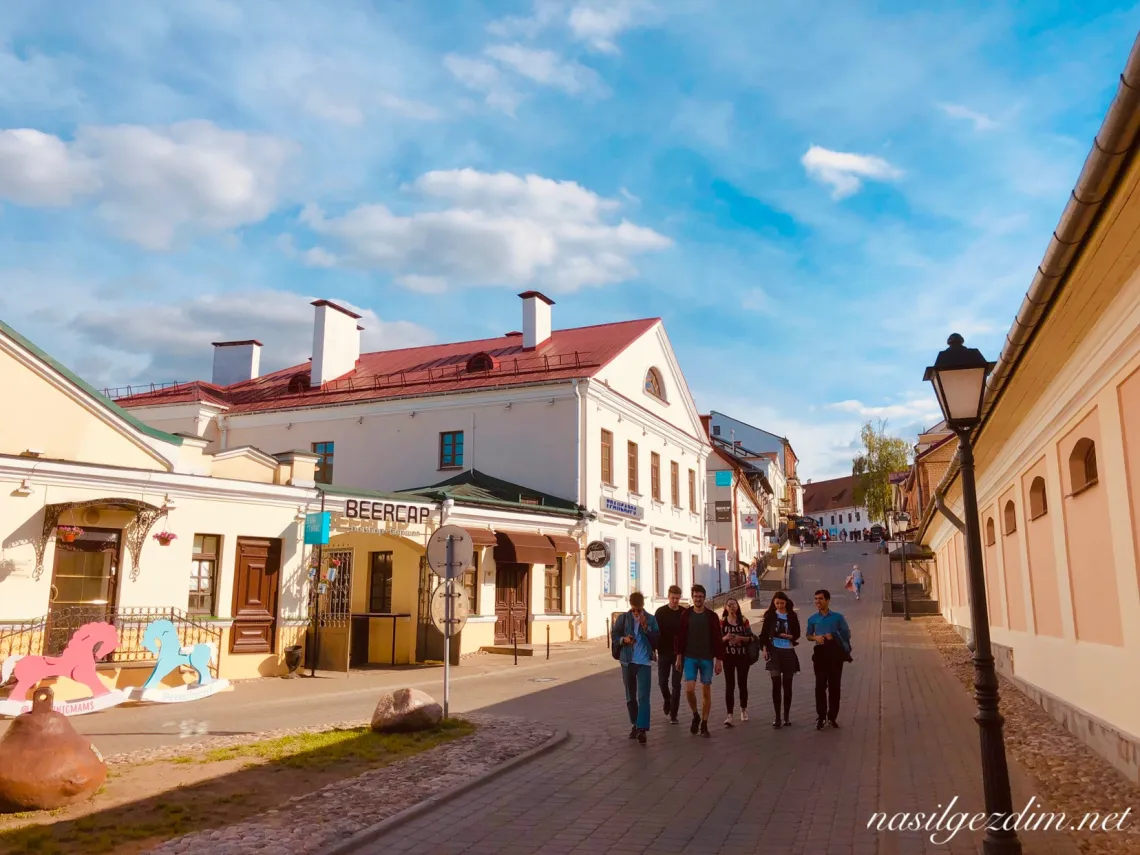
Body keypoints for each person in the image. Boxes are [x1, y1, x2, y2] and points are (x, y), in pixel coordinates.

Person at [674, 584, 725, 738]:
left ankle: (704, 723)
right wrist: (678, 657)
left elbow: (717, 639)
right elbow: (680, 637)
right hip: (690, 657)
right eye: (695, 596)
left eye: (700, 596)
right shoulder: (686, 615)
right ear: (692, 597)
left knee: (706, 691)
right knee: (689, 689)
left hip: (707, 658)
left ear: (704, 598)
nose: (698, 599)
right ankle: (695, 714)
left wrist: (719, 660)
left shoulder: (712, 616)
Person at [611, 591, 660, 744]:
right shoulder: (624, 619)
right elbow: (614, 635)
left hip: (644, 662)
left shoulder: (650, 619)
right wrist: (623, 640)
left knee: (643, 696)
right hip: (627, 661)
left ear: (643, 607)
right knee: (630, 697)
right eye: (634, 610)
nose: (636, 613)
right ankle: (634, 723)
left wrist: (646, 628)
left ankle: (642, 729)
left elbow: (657, 640)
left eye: (639, 610)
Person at [806, 589, 852, 730]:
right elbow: (808, 635)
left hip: (834, 653)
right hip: (820, 653)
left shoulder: (837, 617)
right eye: (816, 599)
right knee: (820, 686)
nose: (817, 602)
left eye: (820, 599)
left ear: (827, 600)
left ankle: (832, 717)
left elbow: (846, 634)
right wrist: (815, 637)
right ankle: (821, 716)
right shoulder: (812, 619)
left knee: (834, 686)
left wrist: (834, 636)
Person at [758, 590, 801, 727]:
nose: (779, 606)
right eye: (777, 603)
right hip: (774, 651)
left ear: (786, 603)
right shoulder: (770, 616)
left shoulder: (792, 616)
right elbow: (763, 634)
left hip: (788, 651)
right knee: (776, 684)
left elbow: (797, 633)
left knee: (787, 685)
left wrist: (790, 637)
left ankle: (786, 716)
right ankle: (777, 717)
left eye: (782, 603)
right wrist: (764, 649)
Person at [719, 597, 754, 726]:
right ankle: (729, 714)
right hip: (728, 657)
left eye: (734, 605)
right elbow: (717, 640)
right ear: (725, 608)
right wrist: (725, 638)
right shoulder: (722, 623)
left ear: (738, 607)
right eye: (729, 605)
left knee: (742, 683)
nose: (732, 607)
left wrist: (740, 638)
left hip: (742, 657)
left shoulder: (744, 621)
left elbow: (752, 638)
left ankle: (743, 709)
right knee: (729, 685)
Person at [654, 584, 684, 723]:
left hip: (679, 654)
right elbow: (655, 632)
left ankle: (674, 713)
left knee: (676, 683)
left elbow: (686, 634)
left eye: (678, 598)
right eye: (673, 598)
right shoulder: (660, 612)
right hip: (664, 652)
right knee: (662, 682)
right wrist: (653, 648)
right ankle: (667, 699)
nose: (675, 601)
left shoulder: (683, 613)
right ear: (668, 596)